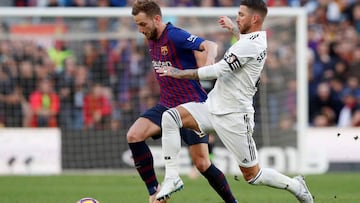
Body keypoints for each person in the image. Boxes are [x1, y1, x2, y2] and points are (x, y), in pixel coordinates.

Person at [155, 1, 314, 203]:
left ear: (254, 18)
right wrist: (234, 29)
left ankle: (296, 186)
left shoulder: (251, 44)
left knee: (252, 175)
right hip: (212, 107)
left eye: (241, 14)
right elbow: (243, 45)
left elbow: (218, 70)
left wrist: (179, 73)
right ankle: (172, 178)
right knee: (170, 117)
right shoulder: (251, 40)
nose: (237, 17)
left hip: (235, 116)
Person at [127, 1, 238, 203]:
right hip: (167, 103)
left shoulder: (174, 35)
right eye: (137, 25)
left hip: (191, 107)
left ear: (157, 19)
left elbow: (210, 45)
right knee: (134, 135)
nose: (140, 29)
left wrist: (209, 62)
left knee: (202, 164)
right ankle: (155, 191)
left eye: (142, 24)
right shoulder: (151, 37)